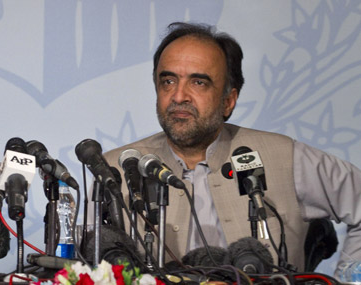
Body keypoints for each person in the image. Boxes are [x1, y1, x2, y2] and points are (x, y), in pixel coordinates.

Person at [103, 22, 361, 273]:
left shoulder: (285, 157)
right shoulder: (117, 168)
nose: (179, 96)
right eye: (168, 81)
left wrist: (349, 277)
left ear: (228, 101)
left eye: (198, 82)